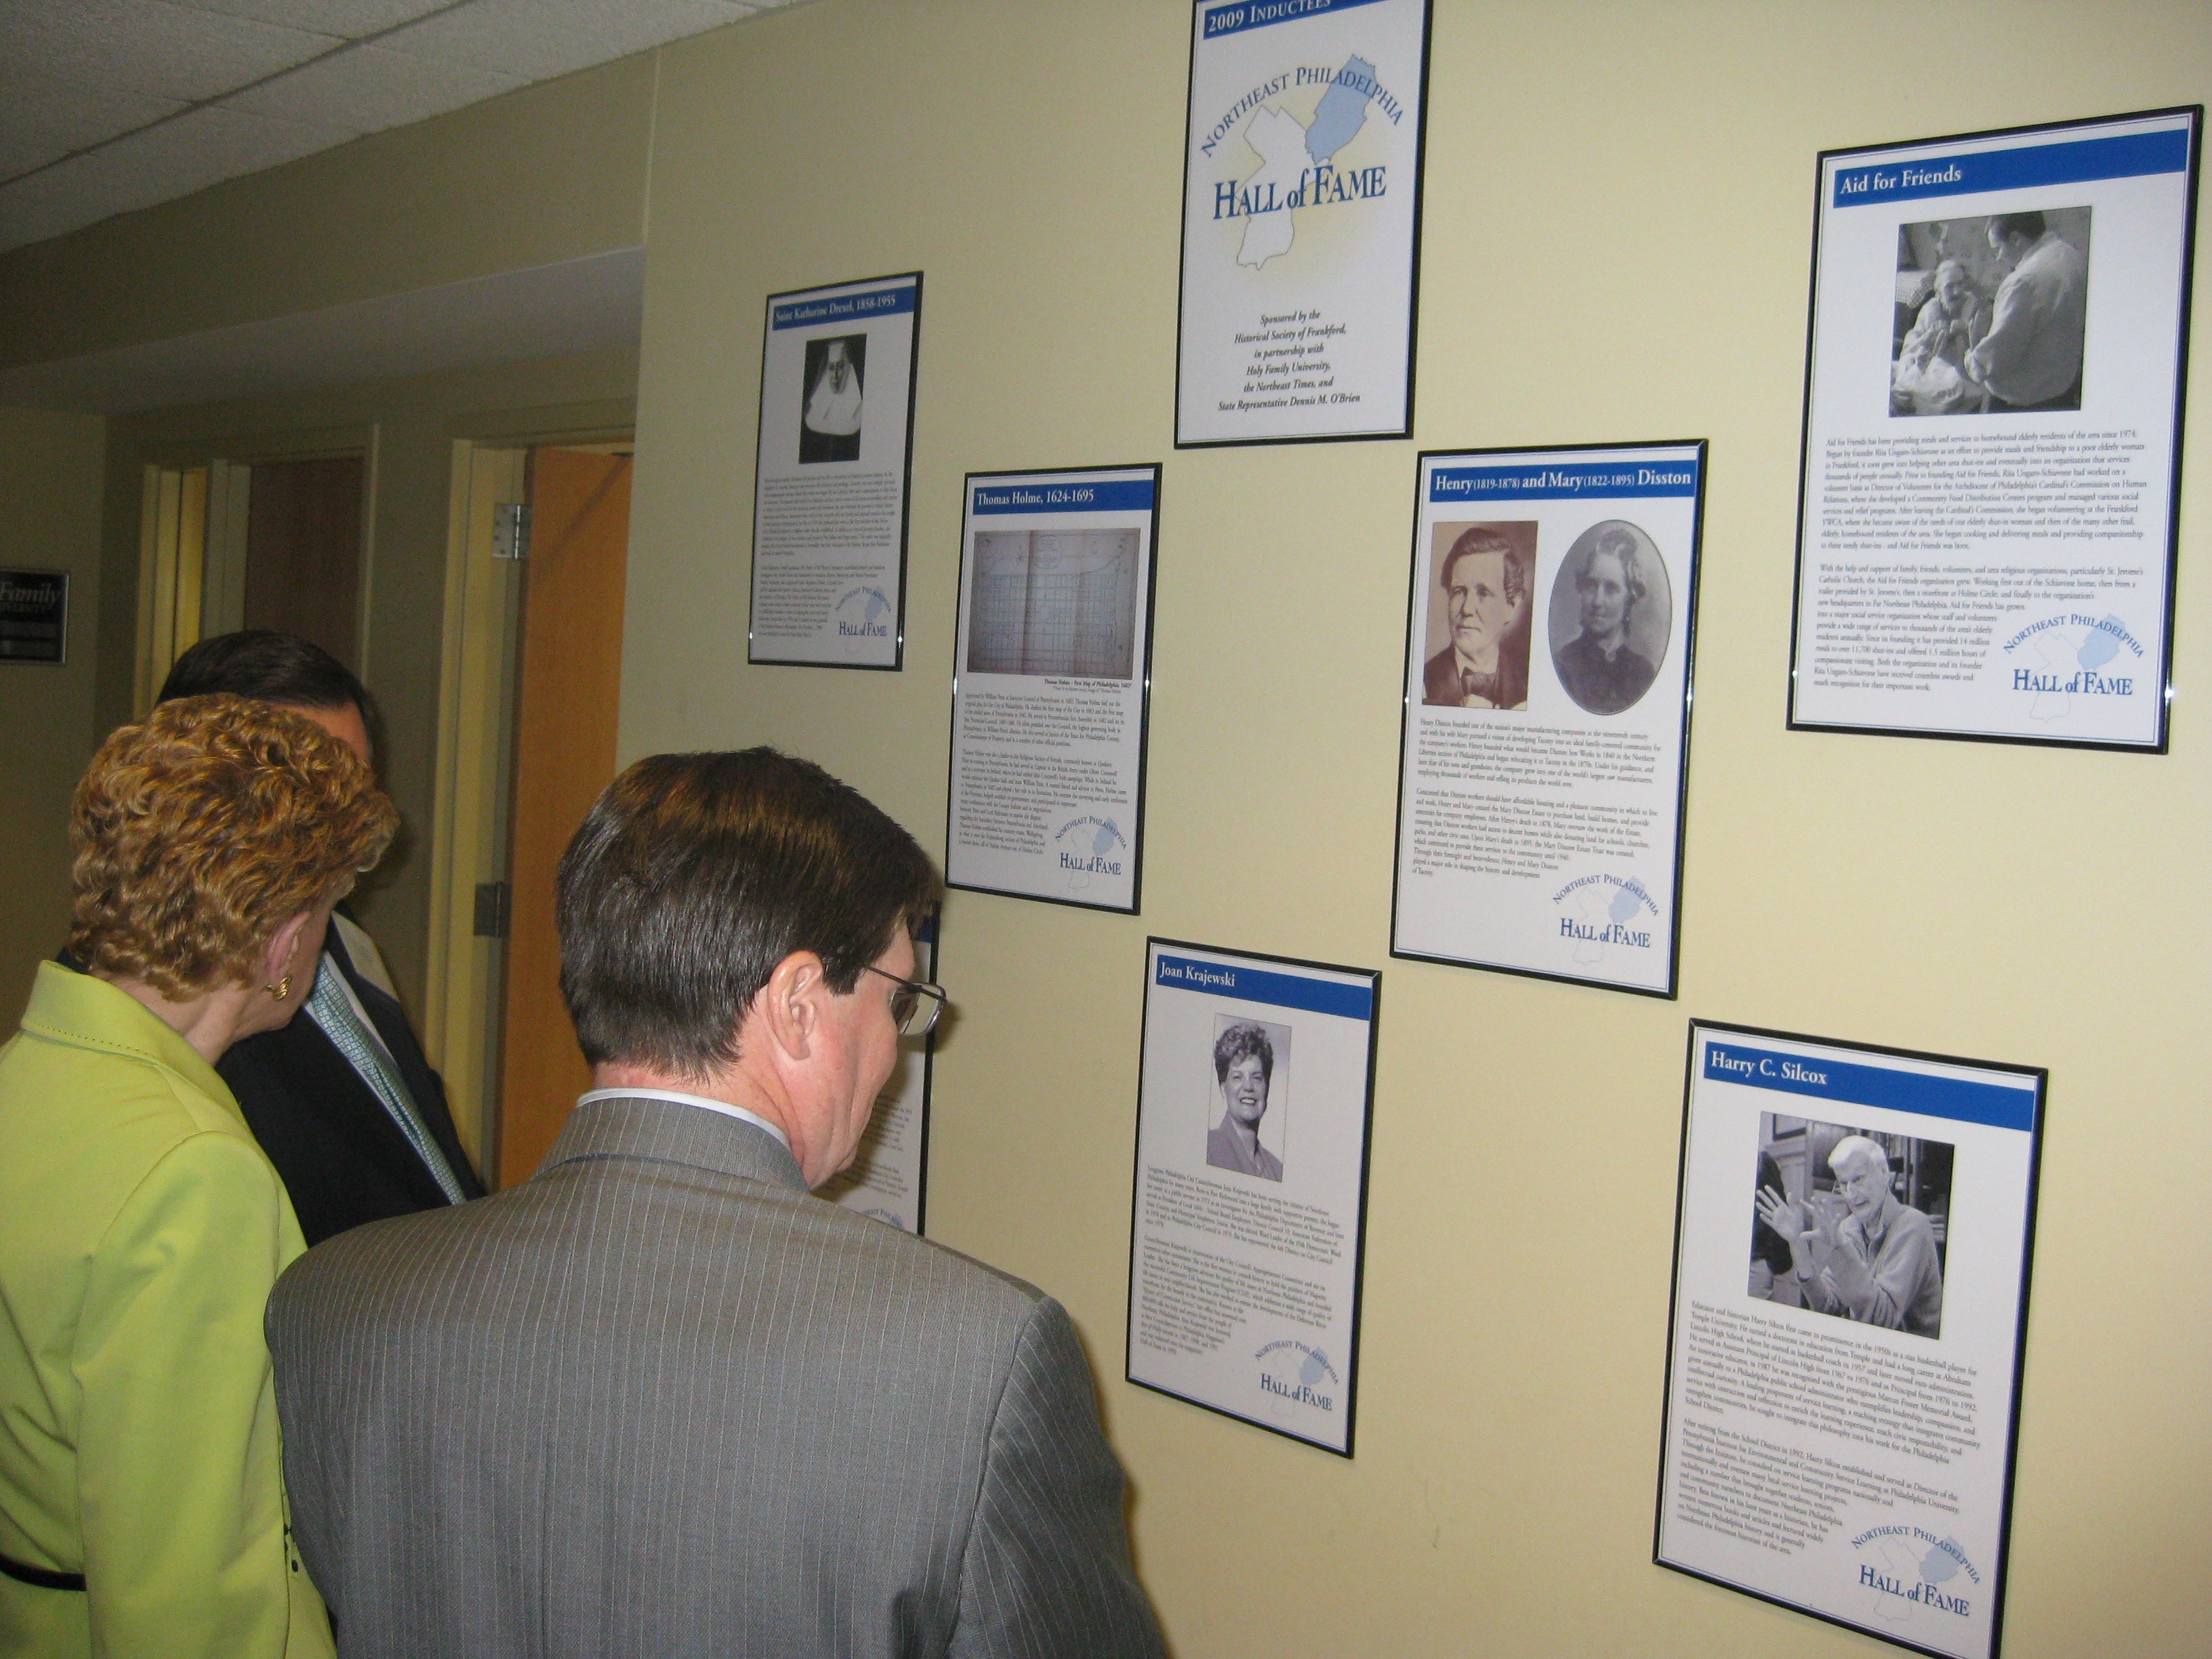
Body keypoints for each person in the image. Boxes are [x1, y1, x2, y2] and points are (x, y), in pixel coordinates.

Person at [266, 748, 1166, 1659]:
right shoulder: (982, 1362)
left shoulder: (331, 1301)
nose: (897, 1049)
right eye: (898, 1003)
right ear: (800, 1006)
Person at [0, 695, 396, 1658]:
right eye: (324, 916)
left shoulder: (35, 1073)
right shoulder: (195, 1174)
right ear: (277, 943)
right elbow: (197, 1598)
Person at [157, 631, 484, 1244]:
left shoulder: (344, 940)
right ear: (197, 792)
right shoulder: (167, 995)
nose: (346, 822)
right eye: (312, 792)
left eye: (356, 786)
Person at [1755, 1135, 1944, 1338]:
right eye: (1843, 1184)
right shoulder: (1848, 1227)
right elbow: (1827, 1305)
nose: (1851, 1194)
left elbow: (1882, 1320)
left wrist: (1840, 1247)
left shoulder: (1913, 1225)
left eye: (1858, 1180)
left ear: (1884, 1174)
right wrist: (1797, 1243)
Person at [1963, 210, 2087, 412]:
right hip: (2064, 387)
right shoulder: (2070, 254)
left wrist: (1972, 352)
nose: (1997, 257)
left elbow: (1994, 364)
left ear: (2016, 239)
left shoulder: (2021, 282)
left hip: (2024, 401)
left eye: (1998, 249)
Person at [1422, 525, 1532, 710]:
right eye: (1459, 592)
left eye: (1484, 592)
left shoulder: (1529, 687)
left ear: (1511, 605)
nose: (1467, 609)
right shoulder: (1422, 681)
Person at [1552, 527, 1660, 715]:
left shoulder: (1643, 673)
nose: (1597, 601)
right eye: (1591, 586)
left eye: (1611, 589)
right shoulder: (1564, 667)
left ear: (1629, 599)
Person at [1891, 259, 1992, 415]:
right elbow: (1913, 347)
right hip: (1928, 369)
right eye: (1949, 287)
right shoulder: (1931, 309)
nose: (1957, 291)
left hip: (1965, 370)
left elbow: (1984, 347)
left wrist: (1965, 334)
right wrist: (1927, 341)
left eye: (1960, 284)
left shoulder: (1974, 306)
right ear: (1938, 293)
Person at [1204, 1021, 1284, 1181]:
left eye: (1256, 1077)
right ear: (1223, 1089)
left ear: (1267, 1087)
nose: (1248, 1086)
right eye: (1238, 1077)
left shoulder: (1277, 1168)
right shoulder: (1209, 1149)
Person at [799, 335, 863, 462]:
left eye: (840, 367)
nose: (835, 376)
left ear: (849, 368)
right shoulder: (812, 413)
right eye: (831, 368)